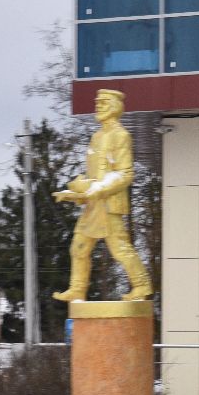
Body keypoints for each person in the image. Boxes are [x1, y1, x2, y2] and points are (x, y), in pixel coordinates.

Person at [52, 88, 154, 302]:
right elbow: (93, 178)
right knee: (78, 247)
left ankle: (142, 286)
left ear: (115, 107)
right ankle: (78, 289)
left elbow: (125, 174)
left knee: (119, 250)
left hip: (109, 205)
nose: (98, 106)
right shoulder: (96, 137)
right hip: (93, 206)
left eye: (104, 102)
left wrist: (99, 189)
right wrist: (74, 193)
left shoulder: (121, 135)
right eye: (97, 102)